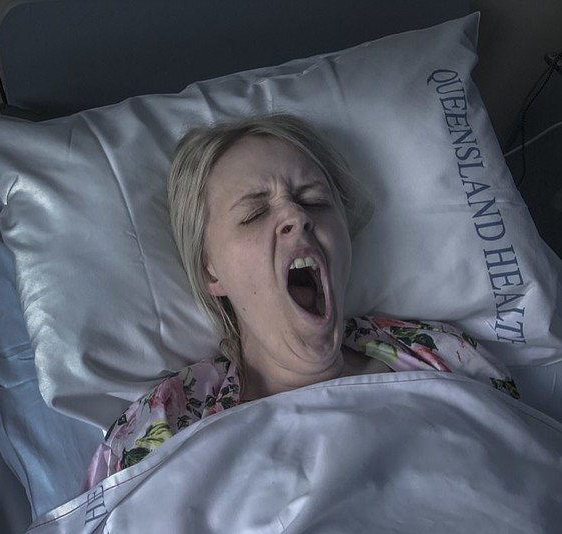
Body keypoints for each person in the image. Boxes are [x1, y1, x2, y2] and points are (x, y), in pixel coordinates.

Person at [84, 114, 518, 489]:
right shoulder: (166, 423)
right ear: (211, 272)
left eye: (314, 200)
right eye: (255, 213)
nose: (297, 215)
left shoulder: (440, 355)